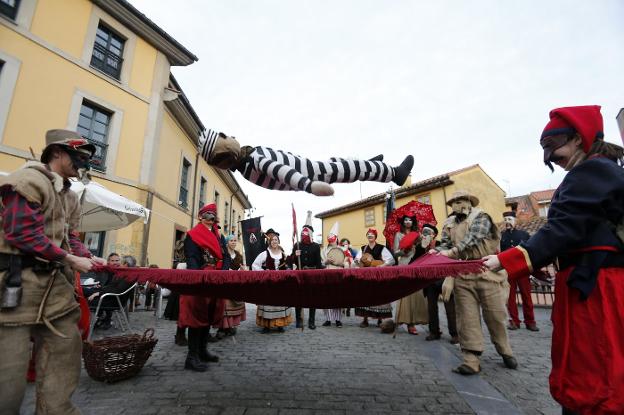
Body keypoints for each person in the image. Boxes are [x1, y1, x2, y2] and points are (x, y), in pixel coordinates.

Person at [483, 105, 624, 414]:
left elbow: (563, 228)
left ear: (578, 139)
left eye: (552, 146)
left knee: (596, 372)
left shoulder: (593, 170)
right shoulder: (600, 171)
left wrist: (506, 260)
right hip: (589, 281)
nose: (550, 158)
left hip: (597, 287)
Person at [0, 129, 101, 414]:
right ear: (57, 153)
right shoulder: (27, 180)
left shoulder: (69, 196)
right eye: (78, 157)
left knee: (65, 353)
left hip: (55, 287)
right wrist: (71, 258)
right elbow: (22, 234)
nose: (82, 164)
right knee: (7, 376)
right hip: (15, 285)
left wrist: (90, 258)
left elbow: (71, 237)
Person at [435, 190, 516, 375]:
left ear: (469, 201)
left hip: (487, 270)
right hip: (463, 273)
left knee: (495, 316)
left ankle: (504, 349)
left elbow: (473, 239)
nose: (457, 204)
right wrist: (436, 251)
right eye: (454, 202)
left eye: (461, 200)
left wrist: (451, 252)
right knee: (466, 318)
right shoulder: (449, 223)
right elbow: (445, 244)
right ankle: (471, 360)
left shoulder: (481, 217)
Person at [198, 130, 414, 196]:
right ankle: (394, 173)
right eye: (225, 136)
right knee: (348, 169)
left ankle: (369, 166)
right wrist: (308, 185)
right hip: (312, 173)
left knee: (345, 164)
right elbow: (281, 171)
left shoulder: (245, 164)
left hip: (311, 167)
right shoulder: (253, 160)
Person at [178, 203, 224, 372]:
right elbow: (192, 258)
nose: (212, 219)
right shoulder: (193, 235)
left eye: (214, 216)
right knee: (196, 318)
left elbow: (224, 256)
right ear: (201, 217)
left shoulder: (218, 236)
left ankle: (202, 351)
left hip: (215, 279)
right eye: (209, 216)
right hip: (200, 279)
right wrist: (199, 278)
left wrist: (223, 273)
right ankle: (191, 357)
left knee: (209, 316)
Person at [420, 225, 459, 344]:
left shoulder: (441, 244)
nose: (425, 234)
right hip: (429, 281)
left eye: (428, 232)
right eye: (424, 232)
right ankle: (434, 332)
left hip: (443, 279)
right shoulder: (420, 247)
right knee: (431, 308)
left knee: (450, 307)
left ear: (433, 235)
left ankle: (455, 333)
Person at [500, 211, 538, 331]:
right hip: (509, 271)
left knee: (526, 296)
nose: (507, 222)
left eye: (509, 219)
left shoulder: (524, 234)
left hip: (523, 269)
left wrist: (532, 270)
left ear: (515, 220)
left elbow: (531, 251)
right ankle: (514, 321)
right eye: (505, 220)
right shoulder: (501, 236)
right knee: (510, 298)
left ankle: (530, 321)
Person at [393, 215, 428, 335]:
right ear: (403, 223)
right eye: (405, 220)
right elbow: (395, 253)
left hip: (416, 263)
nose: (408, 222)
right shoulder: (398, 235)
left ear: (412, 222)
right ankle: (409, 323)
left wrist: (421, 242)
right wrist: (405, 251)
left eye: (410, 220)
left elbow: (423, 249)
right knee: (406, 295)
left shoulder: (417, 234)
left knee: (416, 293)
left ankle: (415, 320)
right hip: (404, 264)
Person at [252, 234, 294, 333]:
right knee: (268, 304)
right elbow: (255, 265)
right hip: (268, 283)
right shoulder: (265, 254)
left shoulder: (283, 254)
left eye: (276, 240)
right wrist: (264, 272)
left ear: (278, 241)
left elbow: (289, 267)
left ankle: (280, 324)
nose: (274, 241)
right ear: (269, 242)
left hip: (280, 284)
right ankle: (267, 326)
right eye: (272, 240)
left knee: (280, 303)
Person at [354, 228, 395, 327]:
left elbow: (391, 260)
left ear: (375, 236)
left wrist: (382, 266)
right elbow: (357, 259)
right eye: (368, 234)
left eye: (372, 234)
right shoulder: (363, 248)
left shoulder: (381, 248)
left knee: (378, 295)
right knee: (365, 296)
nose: (370, 235)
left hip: (378, 275)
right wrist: (356, 262)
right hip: (366, 275)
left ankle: (380, 320)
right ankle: (365, 320)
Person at [87, 255, 137, 330]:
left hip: (113, 300)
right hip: (108, 296)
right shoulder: (123, 273)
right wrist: (99, 290)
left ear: (126, 264)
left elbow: (117, 290)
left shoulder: (128, 275)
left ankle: (88, 323)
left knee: (84, 299)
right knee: (83, 291)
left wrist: (99, 293)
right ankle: (96, 320)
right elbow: (111, 286)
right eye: (112, 261)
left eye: (119, 261)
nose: (118, 263)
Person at [289, 224, 323, 329]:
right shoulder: (297, 245)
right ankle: (299, 320)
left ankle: (311, 321)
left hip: (312, 274)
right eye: (303, 232)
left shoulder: (316, 246)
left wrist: (319, 276)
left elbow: (319, 263)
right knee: (299, 298)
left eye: (307, 232)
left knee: (313, 298)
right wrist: (295, 255)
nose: (305, 234)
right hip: (300, 274)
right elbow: (290, 261)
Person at [215, 235, 247, 337]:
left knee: (234, 306)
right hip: (225, 284)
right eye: (231, 241)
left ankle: (230, 326)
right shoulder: (223, 254)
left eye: (235, 241)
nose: (233, 242)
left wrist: (242, 270)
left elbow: (242, 269)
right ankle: (221, 328)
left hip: (235, 284)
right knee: (224, 306)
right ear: (227, 243)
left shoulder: (239, 256)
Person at [321, 225, 348, 327]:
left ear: (337, 238)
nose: (331, 241)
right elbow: (321, 263)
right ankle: (328, 319)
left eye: (333, 238)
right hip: (327, 275)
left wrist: (341, 264)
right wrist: (326, 261)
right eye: (330, 239)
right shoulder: (324, 250)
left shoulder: (343, 249)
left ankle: (337, 319)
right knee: (327, 297)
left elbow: (348, 262)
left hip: (339, 275)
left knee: (338, 296)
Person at [339, 237, 357, 316]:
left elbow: (355, 258)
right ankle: (343, 309)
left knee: (350, 293)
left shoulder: (352, 251)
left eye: (347, 243)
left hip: (351, 272)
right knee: (343, 293)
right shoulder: (340, 250)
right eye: (344, 243)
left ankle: (348, 309)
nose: (345, 244)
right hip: (343, 274)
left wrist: (351, 249)